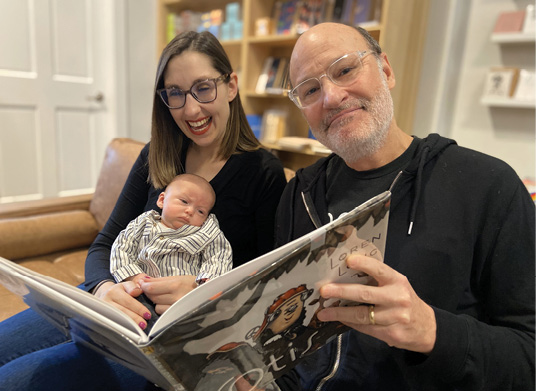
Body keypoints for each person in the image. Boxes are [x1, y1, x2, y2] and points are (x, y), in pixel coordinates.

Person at [0, 31, 295, 390]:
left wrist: (202, 290)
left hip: (175, 335)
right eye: (175, 93)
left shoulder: (263, 172)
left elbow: (268, 287)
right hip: (109, 301)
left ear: (231, 85)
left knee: (15, 381)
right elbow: (104, 243)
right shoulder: (156, 155)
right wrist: (103, 289)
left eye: (204, 88)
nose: (190, 109)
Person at [275, 23, 535, 390]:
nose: (331, 97)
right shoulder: (299, 194)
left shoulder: (488, 186)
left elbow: (529, 357)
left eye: (345, 69)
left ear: (386, 70)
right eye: (310, 90)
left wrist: (431, 331)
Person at [110, 173, 232, 330]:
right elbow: (121, 247)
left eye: (200, 211)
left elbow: (219, 257)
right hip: (138, 291)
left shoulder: (207, 233)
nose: (190, 211)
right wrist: (133, 275)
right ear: (161, 200)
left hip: (182, 301)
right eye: (184, 201)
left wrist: (207, 283)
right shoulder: (143, 223)